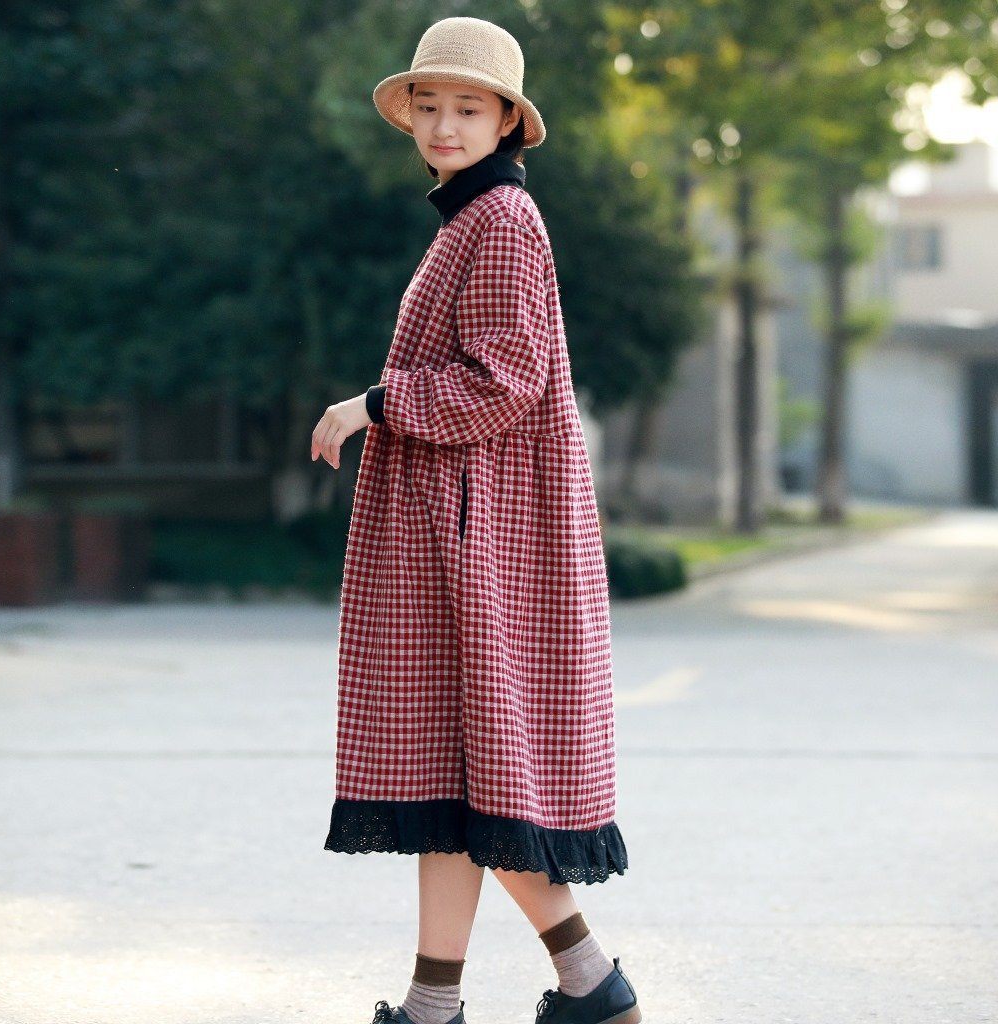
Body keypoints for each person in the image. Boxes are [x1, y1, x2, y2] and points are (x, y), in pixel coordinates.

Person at [311, 17, 641, 1024]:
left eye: (468, 107)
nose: (444, 125)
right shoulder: (471, 219)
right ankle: (491, 999)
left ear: (507, 122)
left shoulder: (499, 219)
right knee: (454, 783)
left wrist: (373, 404)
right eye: (429, 105)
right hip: (463, 526)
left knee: (475, 776)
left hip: (479, 536)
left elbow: (504, 378)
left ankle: (564, 990)